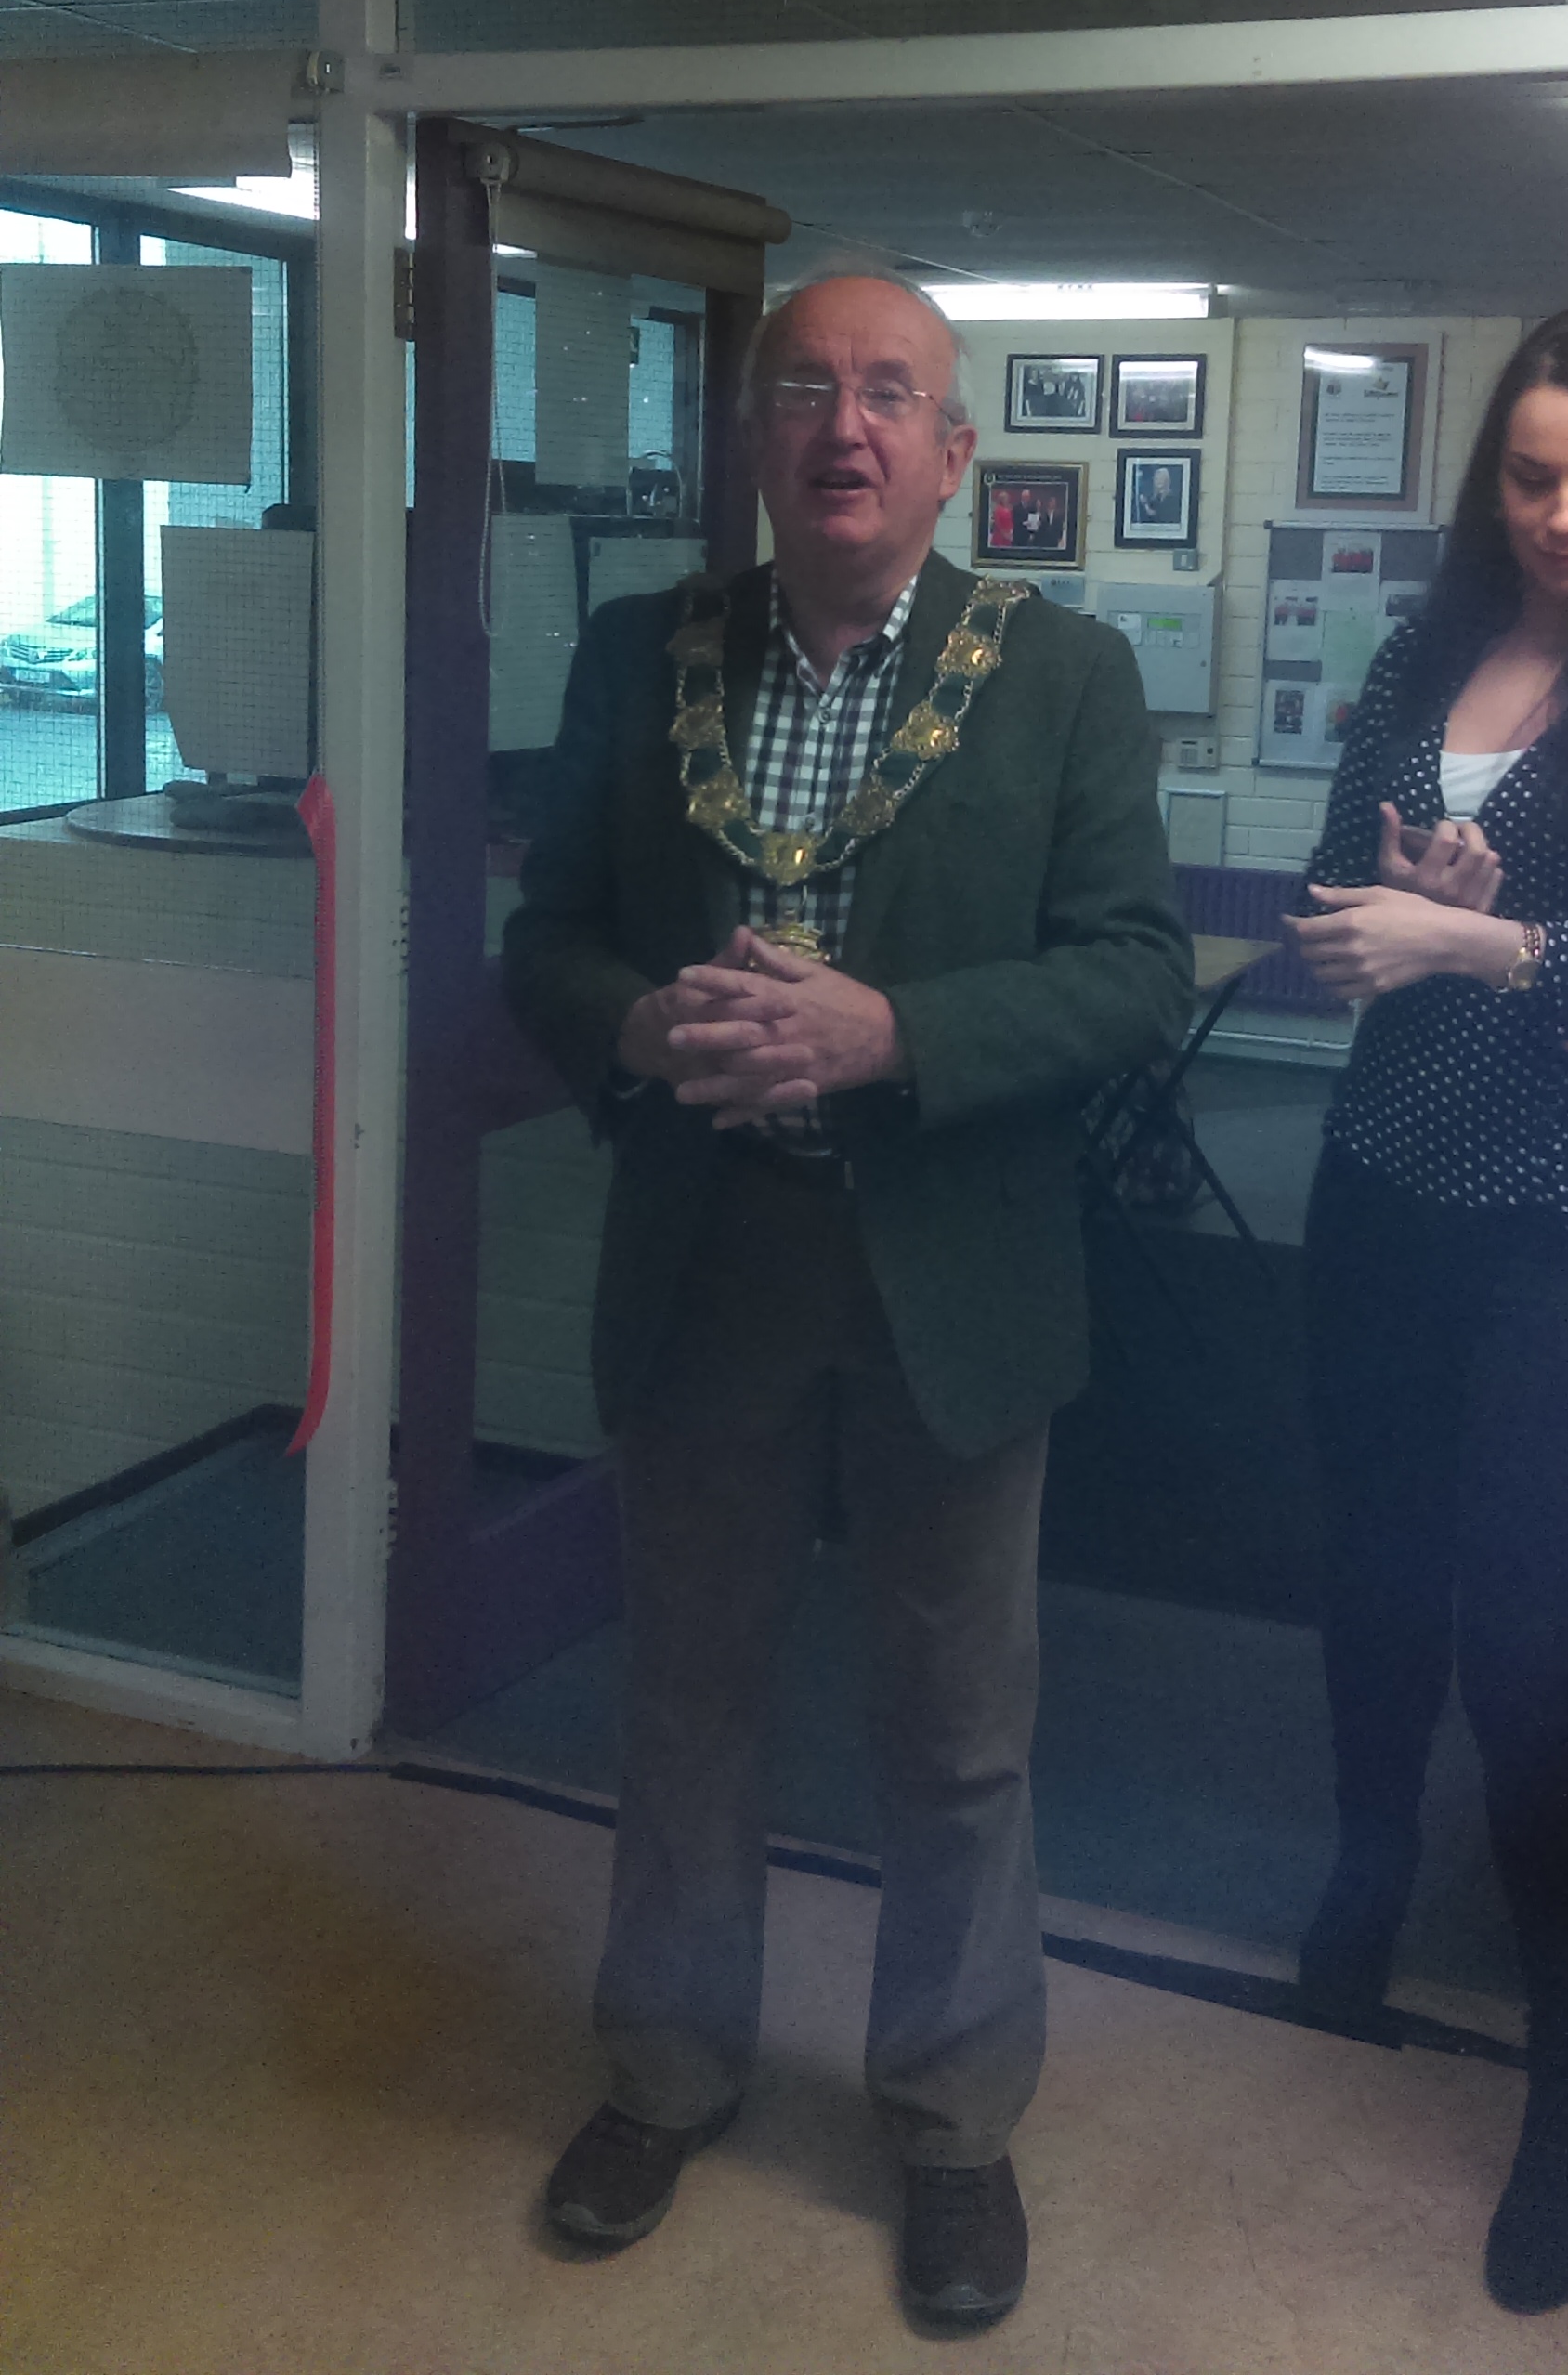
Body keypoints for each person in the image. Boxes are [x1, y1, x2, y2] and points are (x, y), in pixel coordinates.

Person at [503, 272, 1191, 2328]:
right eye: (805, 388)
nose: (846, 424)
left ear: (953, 453)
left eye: (892, 392)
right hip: (710, 1258)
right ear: (755, 440)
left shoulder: (1063, 675)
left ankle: (953, 2123)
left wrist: (898, 1034)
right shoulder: (640, 655)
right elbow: (547, 938)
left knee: (959, 1728)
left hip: (949, 1278)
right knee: (687, 1700)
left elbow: (1135, 969)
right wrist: (641, 1032)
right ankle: (666, 2070)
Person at [1285, 307, 1568, 2318]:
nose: (1564, 514)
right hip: (1387, 1192)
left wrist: (1480, 938)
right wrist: (1398, 894)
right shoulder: (1420, 656)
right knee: (1375, 1587)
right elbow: (1327, 904)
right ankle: (1364, 1885)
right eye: (1531, 474)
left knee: (1538, 1664)